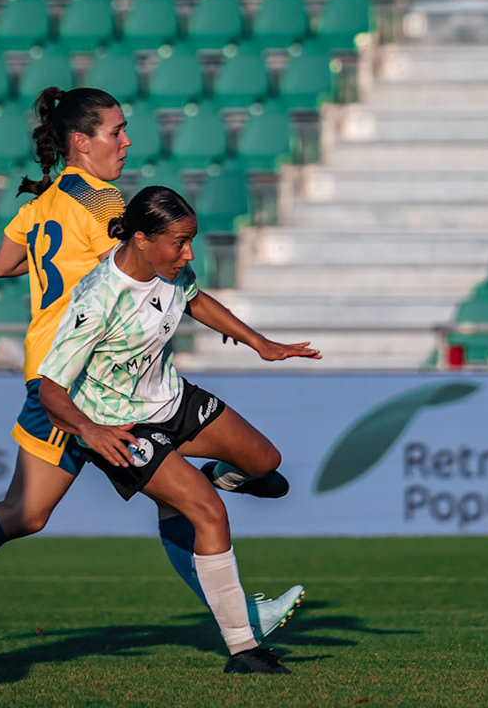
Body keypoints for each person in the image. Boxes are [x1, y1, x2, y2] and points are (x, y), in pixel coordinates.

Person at [0, 87, 302, 658]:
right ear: (80, 142)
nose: (126, 141)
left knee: (166, 501)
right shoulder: (103, 206)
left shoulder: (46, 200)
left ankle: (240, 614)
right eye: (115, 131)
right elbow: (148, 278)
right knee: (27, 513)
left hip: (75, 371)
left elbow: (2, 264)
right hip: (72, 378)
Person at [37, 185, 319, 674]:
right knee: (208, 513)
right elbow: (49, 389)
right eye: (179, 243)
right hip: (122, 425)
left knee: (266, 465)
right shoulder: (98, 299)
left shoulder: (169, 271)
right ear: (141, 239)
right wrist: (92, 433)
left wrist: (259, 343)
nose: (188, 254)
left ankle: (214, 473)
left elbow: (196, 299)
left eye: (191, 241)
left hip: (173, 400)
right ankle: (243, 649)